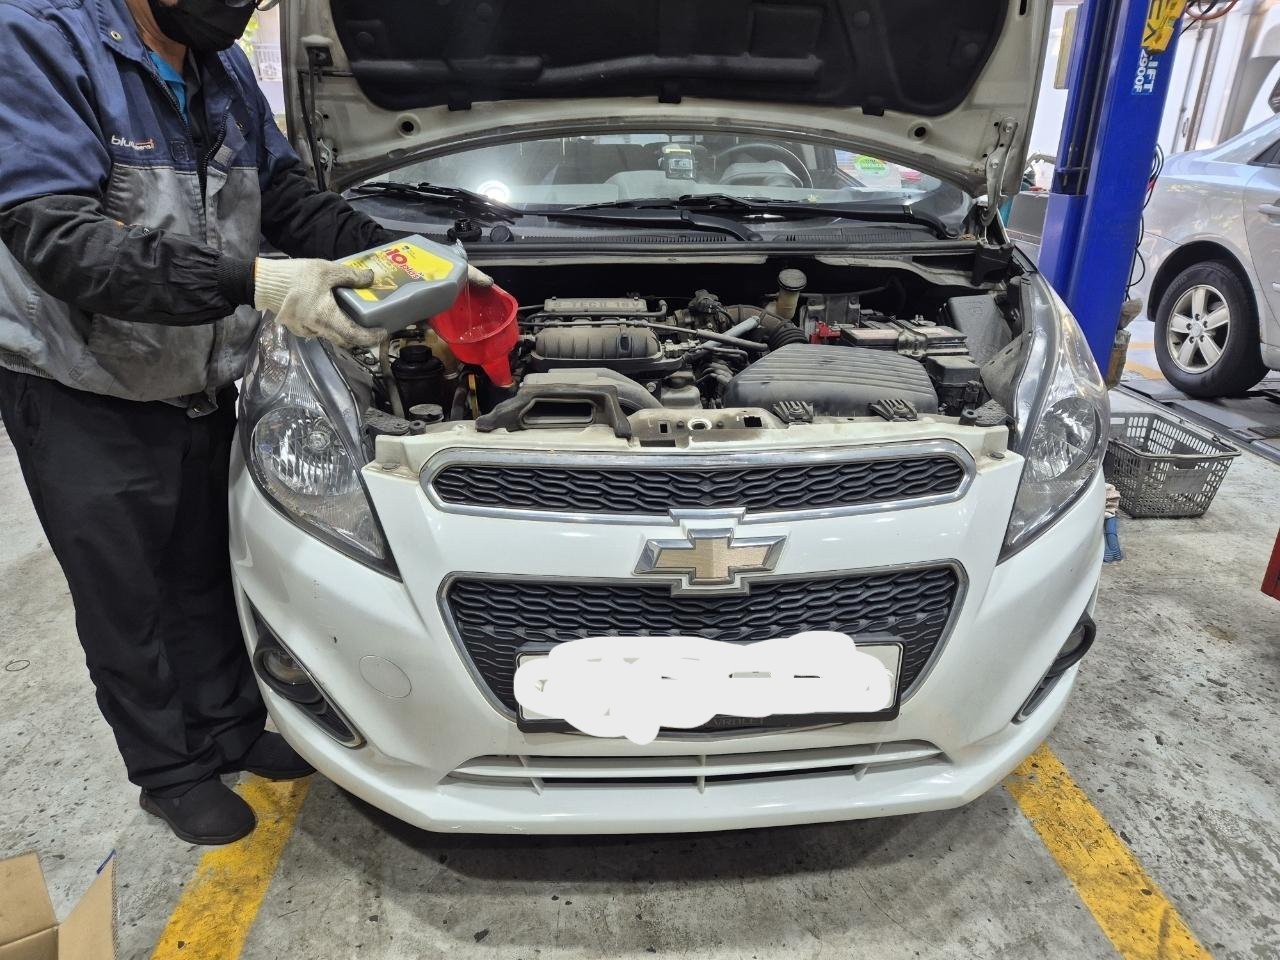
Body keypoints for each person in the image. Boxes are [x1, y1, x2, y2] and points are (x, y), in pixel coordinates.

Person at [0, 0, 485, 845]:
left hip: (200, 377)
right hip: (84, 388)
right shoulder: (38, 40)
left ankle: (228, 728)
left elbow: (288, 197)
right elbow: (64, 244)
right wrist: (260, 283)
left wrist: (407, 264)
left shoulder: (216, 65)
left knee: (201, 569)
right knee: (126, 598)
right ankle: (170, 771)